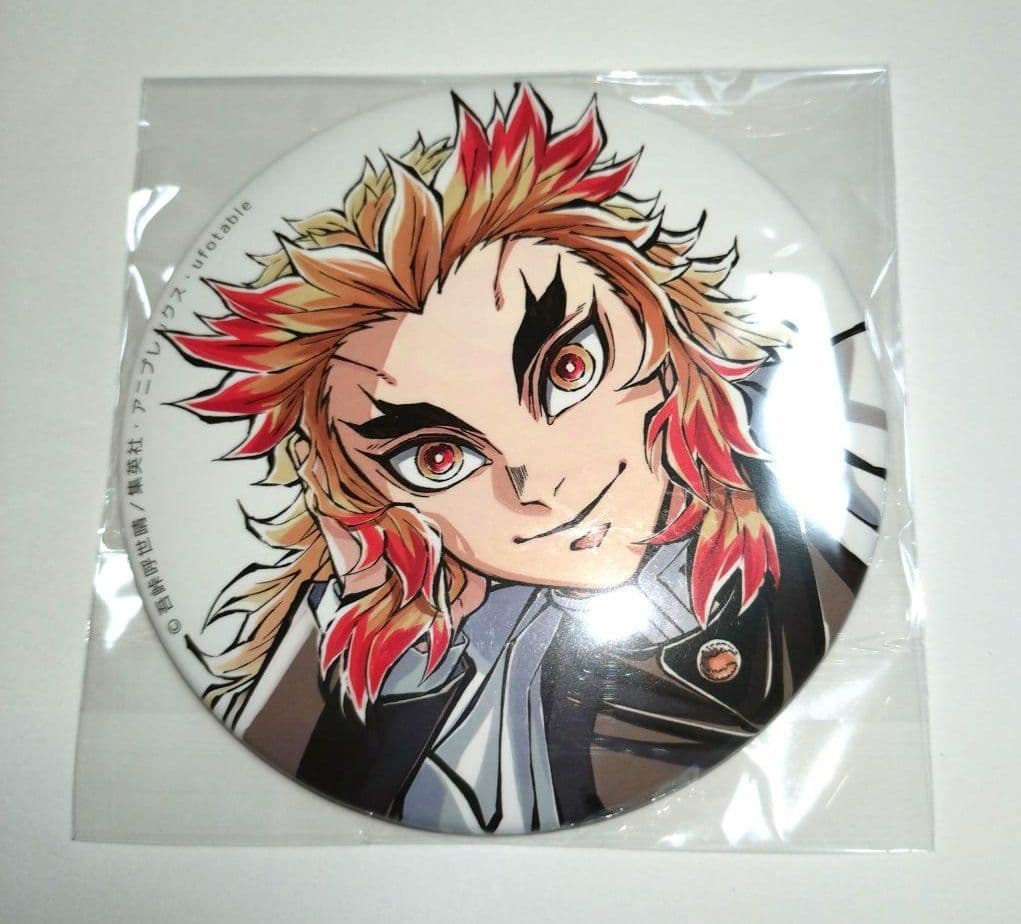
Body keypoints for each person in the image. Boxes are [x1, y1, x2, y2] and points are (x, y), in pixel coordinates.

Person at [167, 85, 828, 834]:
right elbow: (292, 809)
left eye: (567, 370)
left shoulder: (827, 453)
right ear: (363, 497)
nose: (538, 484)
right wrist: (390, 639)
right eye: (438, 457)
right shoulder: (468, 674)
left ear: (656, 317)